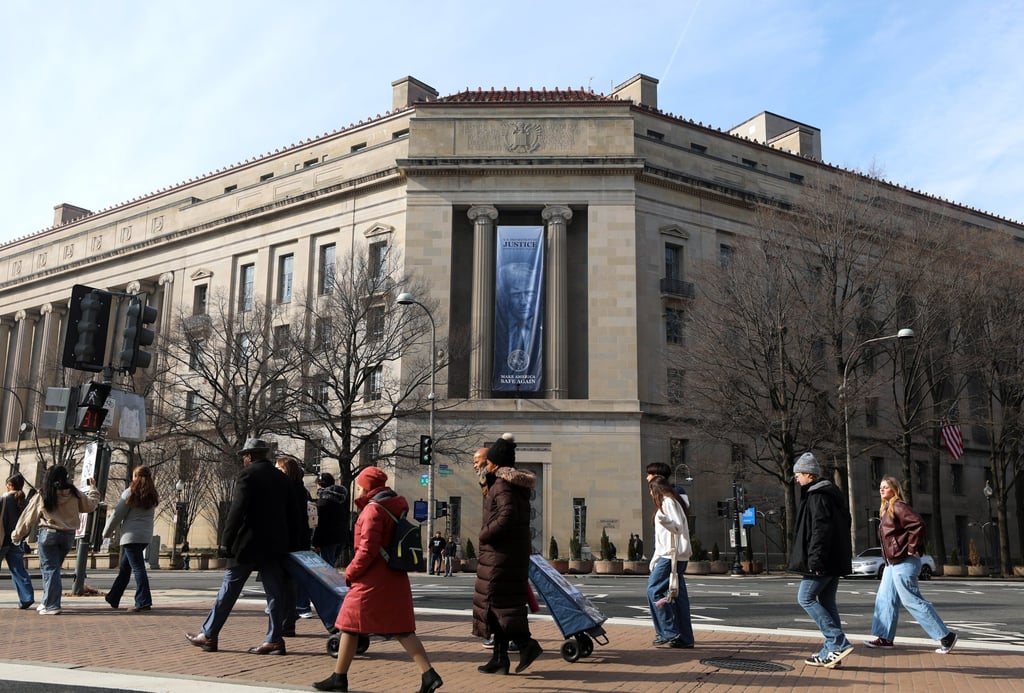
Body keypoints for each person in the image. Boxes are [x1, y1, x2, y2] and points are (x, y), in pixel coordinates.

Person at [313, 466, 442, 693]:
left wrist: (350, 572)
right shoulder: (393, 506)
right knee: (401, 628)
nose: (359, 489)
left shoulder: (373, 511)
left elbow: (367, 550)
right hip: (393, 576)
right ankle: (428, 674)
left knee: (349, 624)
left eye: (361, 485)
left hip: (372, 579)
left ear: (368, 486)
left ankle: (339, 678)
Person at [186, 438, 291, 655]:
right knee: (275, 593)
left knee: (229, 589)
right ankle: (274, 639)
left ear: (250, 456)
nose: (243, 460)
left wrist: (226, 540)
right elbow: (293, 514)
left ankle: (209, 634)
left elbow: (237, 510)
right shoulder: (282, 479)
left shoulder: (248, 475)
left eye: (244, 456)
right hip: (275, 544)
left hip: (247, 544)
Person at [473, 433, 543, 675]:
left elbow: (506, 517)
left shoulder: (502, 485)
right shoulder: (507, 484)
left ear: (496, 463)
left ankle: (526, 645)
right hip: (507, 554)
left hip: (500, 555)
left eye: (488, 461)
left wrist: (485, 534)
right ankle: (500, 658)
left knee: (497, 605)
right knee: (498, 606)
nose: (484, 465)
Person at [865, 476, 958, 654]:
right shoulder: (886, 509)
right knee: (885, 599)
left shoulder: (898, 506)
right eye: (880, 487)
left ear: (894, 489)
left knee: (912, 600)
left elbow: (918, 524)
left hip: (904, 561)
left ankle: (946, 637)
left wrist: (911, 548)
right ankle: (884, 638)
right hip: (892, 563)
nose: (881, 489)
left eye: (886, 487)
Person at [787, 452, 854, 669]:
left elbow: (820, 530)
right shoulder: (832, 494)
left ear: (809, 474)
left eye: (798, 474)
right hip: (834, 558)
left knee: (805, 598)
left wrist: (815, 561)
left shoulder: (817, 496)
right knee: (826, 602)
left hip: (822, 560)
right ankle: (830, 651)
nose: (796, 478)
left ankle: (837, 642)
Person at [12, 465, 99, 615]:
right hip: (68, 536)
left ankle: (52, 605)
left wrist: (17, 535)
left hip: (49, 534)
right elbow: (90, 506)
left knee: (50, 570)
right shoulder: (74, 493)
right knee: (52, 570)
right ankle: (46, 601)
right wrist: (93, 489)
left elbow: (28, 517)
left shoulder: (44, 493)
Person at [102, 465, 159, 612]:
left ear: (136, 477)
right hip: (145, 536)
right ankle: (113, 597)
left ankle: (143, 601)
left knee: (138, 568)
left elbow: (116, 514)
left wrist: (106, 532)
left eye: (134, 476)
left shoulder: (130, 493)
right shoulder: (151, 494)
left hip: (130, 536)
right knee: (125, 568)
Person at [646, 476, 694, 648]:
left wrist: (663, 520)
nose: (650, 494)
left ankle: (669, 632)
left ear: (656, 490)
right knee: (678, 596)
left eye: (651, 490)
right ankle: (684, 637)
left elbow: (677, 527)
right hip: (676, 555)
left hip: (671, 556)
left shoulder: (668, 502)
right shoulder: (674, 501)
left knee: (654, 590)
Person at [276, 455, 313, 632]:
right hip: (299, 540)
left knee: (282, 582)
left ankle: (286, 619)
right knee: (289, 582)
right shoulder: (301, 489)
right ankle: (288, 619)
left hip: (287, 541)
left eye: (279, 469)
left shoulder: (286, 489)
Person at [1, 473, 34, 609]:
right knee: (18, 570)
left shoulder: (3, 500)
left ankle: (26, 598)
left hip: (2, 540)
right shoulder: (24, 502)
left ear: (9, 485)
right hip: (17, 540)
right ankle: (26, 598)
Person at [311, 472, 348, 570]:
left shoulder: (323, 502)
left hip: (327, 540)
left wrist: (316, 543)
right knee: (331, 565)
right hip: (340, 538)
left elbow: (320, 524)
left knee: (326, 569)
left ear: (319, 484)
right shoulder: (341, 500)